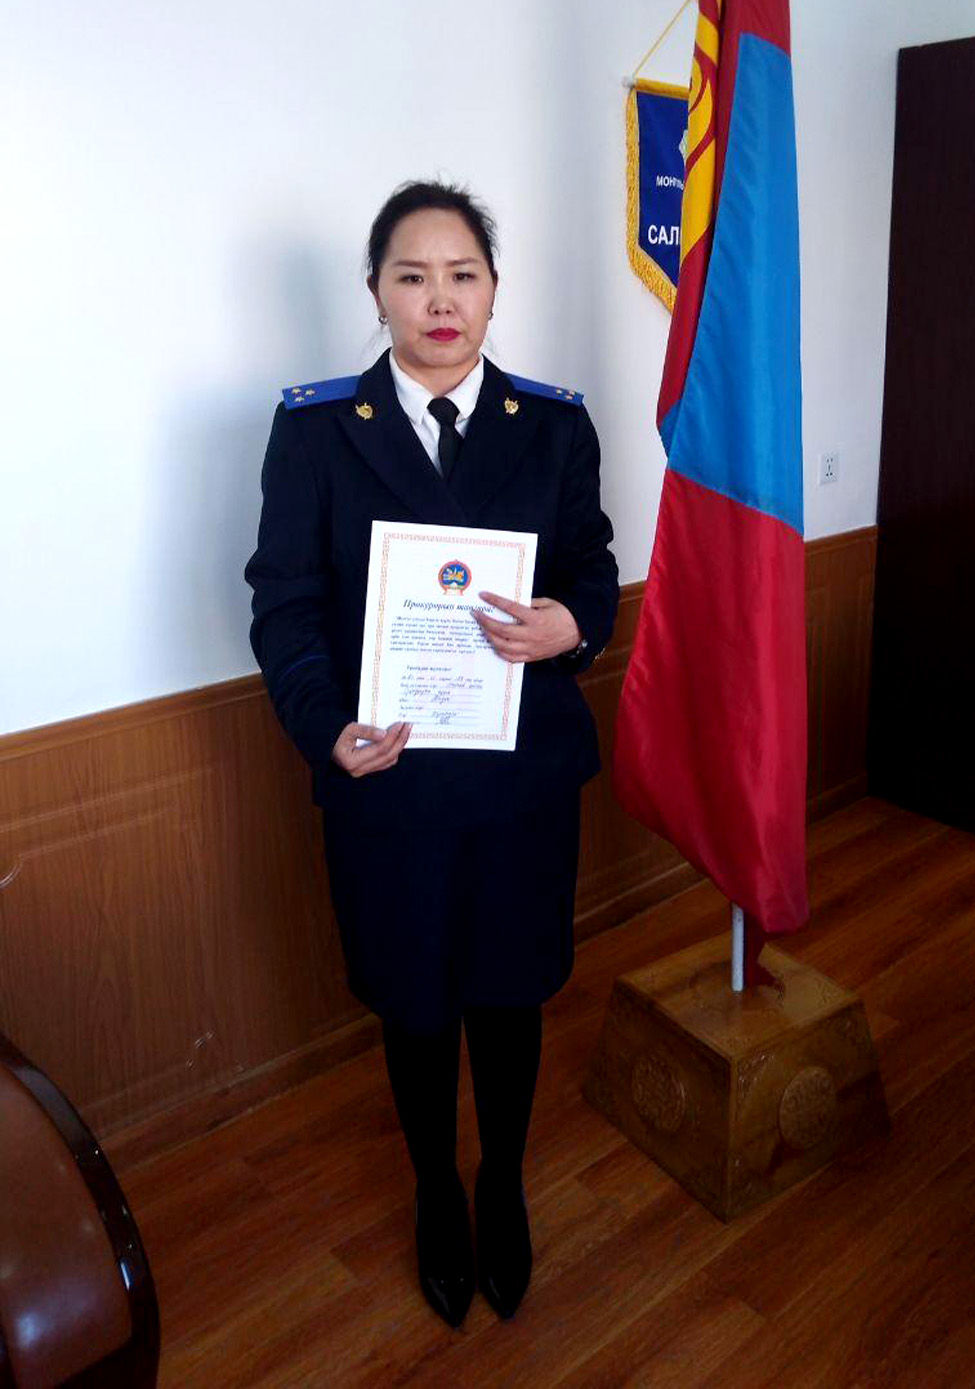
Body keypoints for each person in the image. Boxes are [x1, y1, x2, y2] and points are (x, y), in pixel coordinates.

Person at [245, 181, 618, 1327]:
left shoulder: (551, 425)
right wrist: (324, 728)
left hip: (518, 784)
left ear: (494, 290)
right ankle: (435, 1194)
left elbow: (592, 565)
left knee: (507, 999)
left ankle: (500, 1182)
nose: (440, 300)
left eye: (463, 275)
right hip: (389, 785)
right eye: (412, 276)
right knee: (413, 1004)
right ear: (376, 292)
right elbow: (285, 604)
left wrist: (573, 625)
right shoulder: (316, 431)